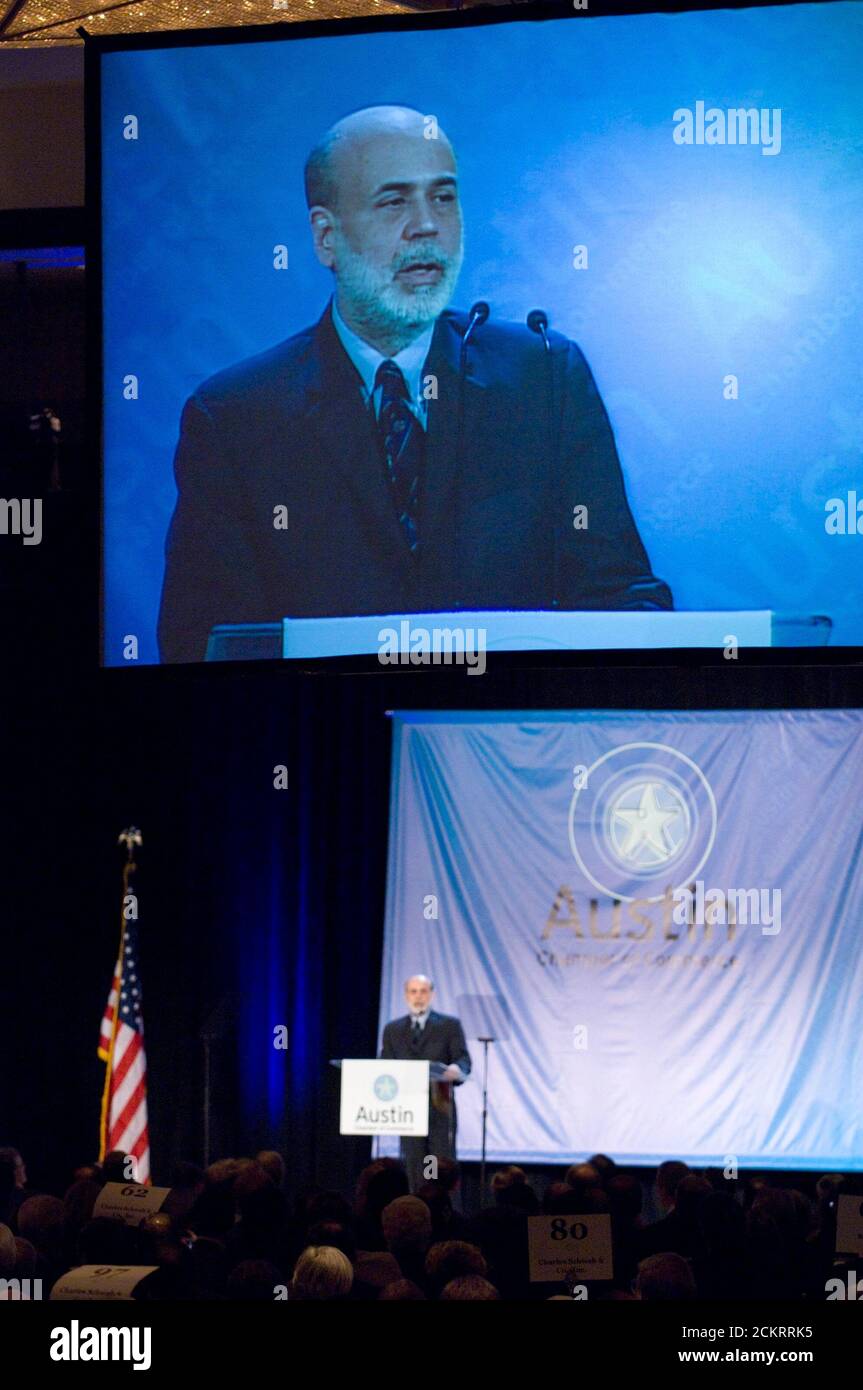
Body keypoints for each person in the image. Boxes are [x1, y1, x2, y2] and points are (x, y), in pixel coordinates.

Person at [158, 104, 672, 663]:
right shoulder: (236, 417)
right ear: (326, 238)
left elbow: (618, 593)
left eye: (443, 198)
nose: (426, 225)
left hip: (509, 740)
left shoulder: (544, 378)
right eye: (394, 200)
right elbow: (202, 643)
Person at [380, 974, 471, 1193]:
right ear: (406, 995)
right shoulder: (393, 1029)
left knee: (438, 1165)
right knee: (415, 1164)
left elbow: (463, 1059)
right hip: (407, 1109)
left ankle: (443, 1213)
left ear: (431, 994)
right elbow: (385, 1065)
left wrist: (456, 1070)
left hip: (439, 1107)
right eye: (413, 991)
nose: (418, 997)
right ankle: (416, 1209)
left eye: (423, 991)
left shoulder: (449, 1025)